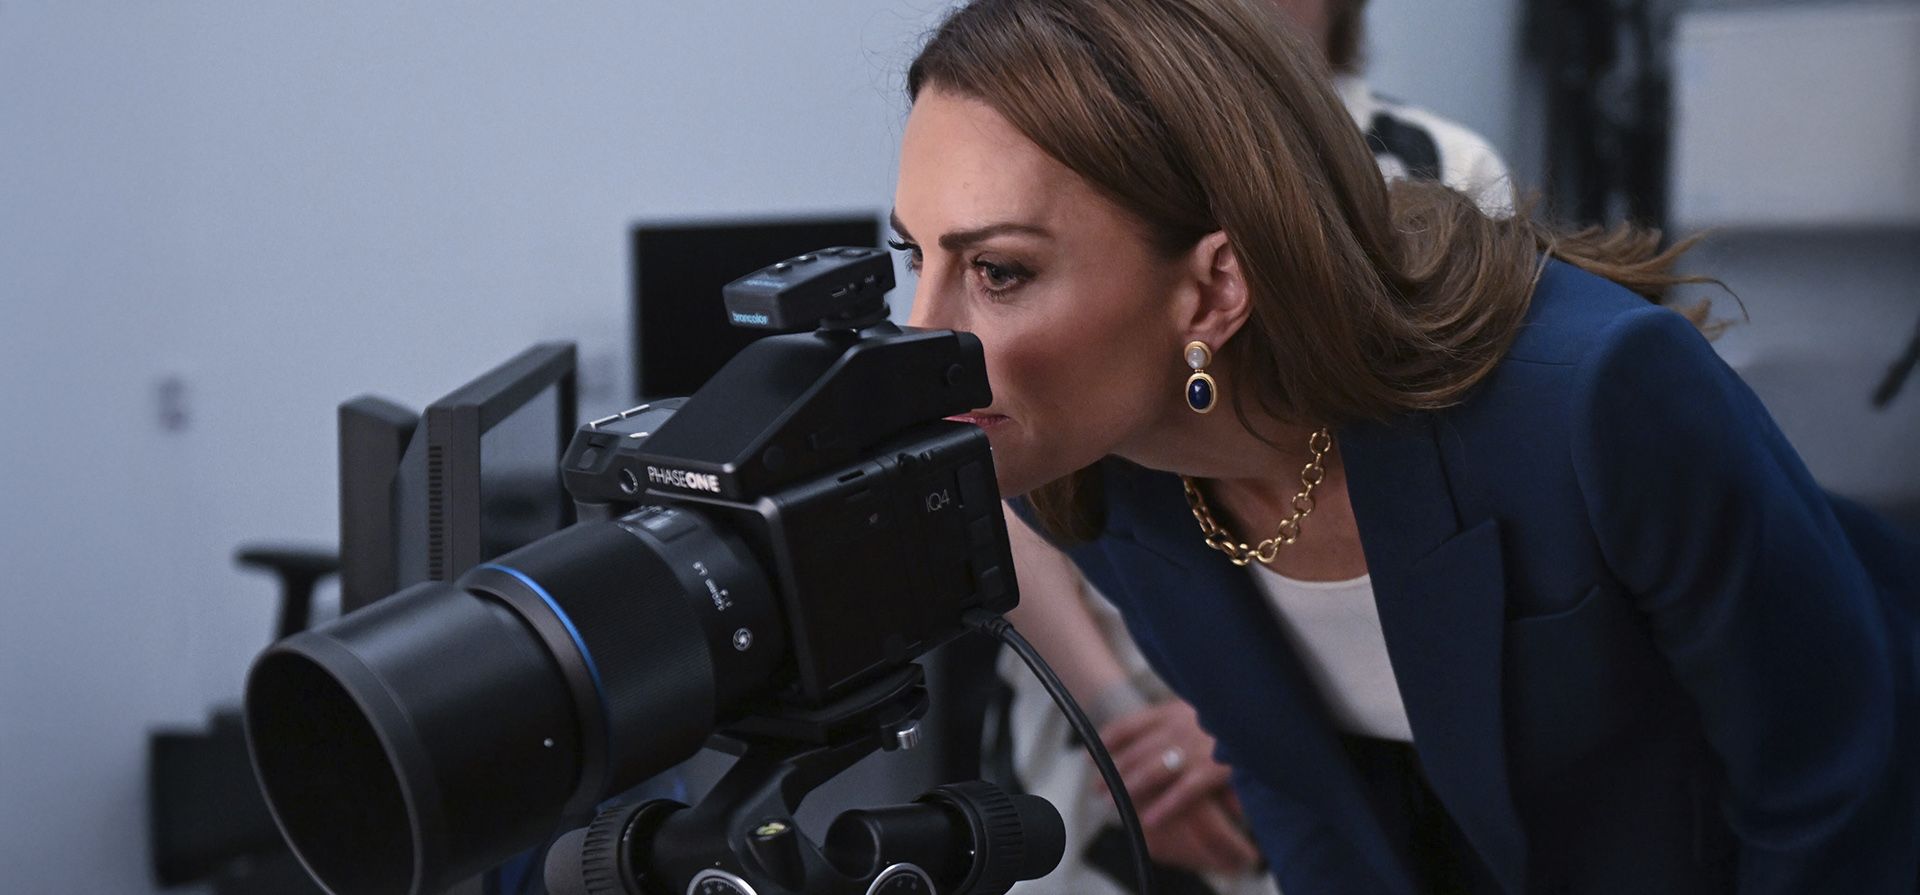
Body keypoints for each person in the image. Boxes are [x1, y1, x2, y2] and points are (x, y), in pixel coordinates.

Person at [889, 0, 1920, 892]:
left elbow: (1832, 786)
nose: (921, 338)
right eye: (913, 257)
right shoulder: (1092, 468)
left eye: (1001, 272)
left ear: (1213, 287)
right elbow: (1309, 800)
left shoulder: (1596, 396)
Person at [984, 2, 1515, 892]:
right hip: (1094, 714)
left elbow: (1455, 504)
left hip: (1335, 728)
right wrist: (1118, 715)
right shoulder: (1052, 146)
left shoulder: (1437, 170)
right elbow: (1001, 455)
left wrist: (1246, 720)